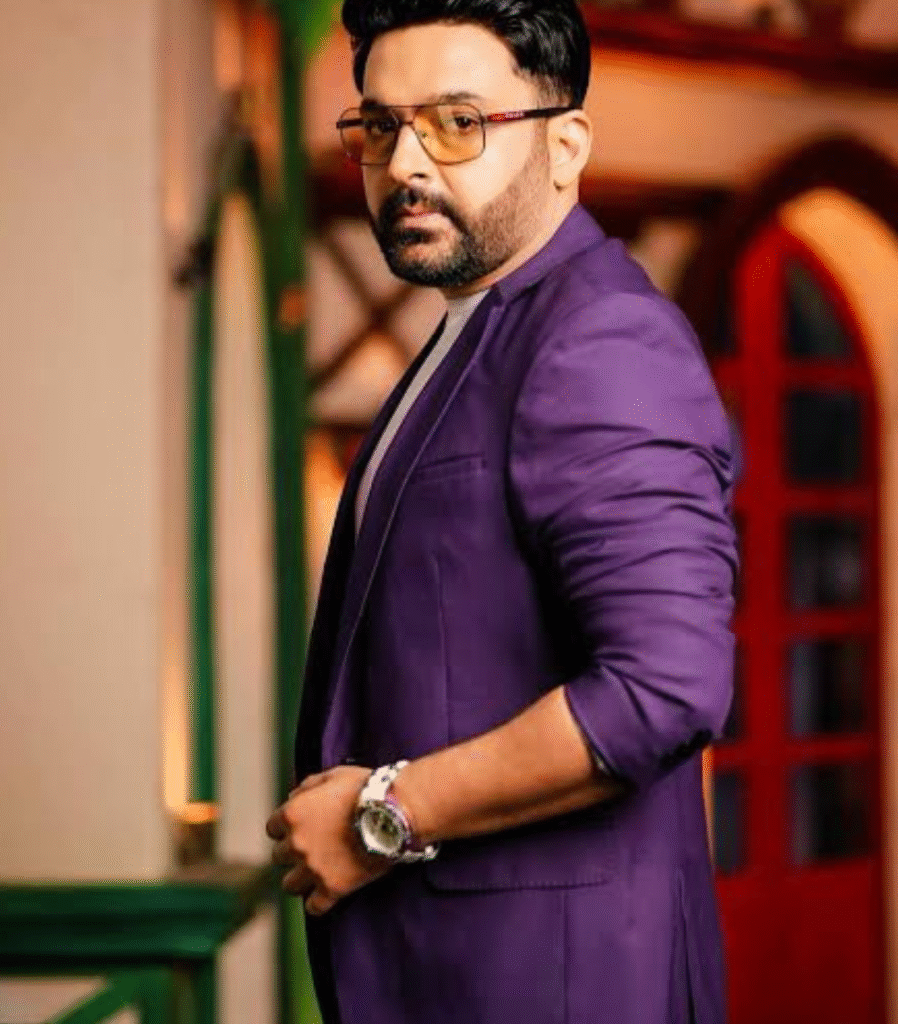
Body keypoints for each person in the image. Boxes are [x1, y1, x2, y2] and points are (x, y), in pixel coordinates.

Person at [265, 1, 739, 1021]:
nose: (405, 164)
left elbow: (664, 687)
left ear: (565, 147)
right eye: (380, 126)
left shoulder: (601, 339)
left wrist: (382, 815)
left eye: (458, 122)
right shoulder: (472, 332)